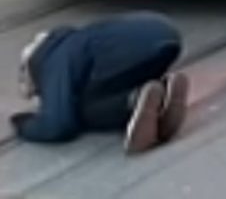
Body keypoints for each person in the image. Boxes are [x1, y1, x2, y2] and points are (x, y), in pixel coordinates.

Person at [11, 12, 188, 153]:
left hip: (139, 45)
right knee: (86, 105)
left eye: (38, 92)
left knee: (77, 113)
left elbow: (57, 126)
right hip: (160, 35)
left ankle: (132, 102)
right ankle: (161, 95)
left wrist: (22, 124)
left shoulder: (55, 58)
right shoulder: (76, 44)